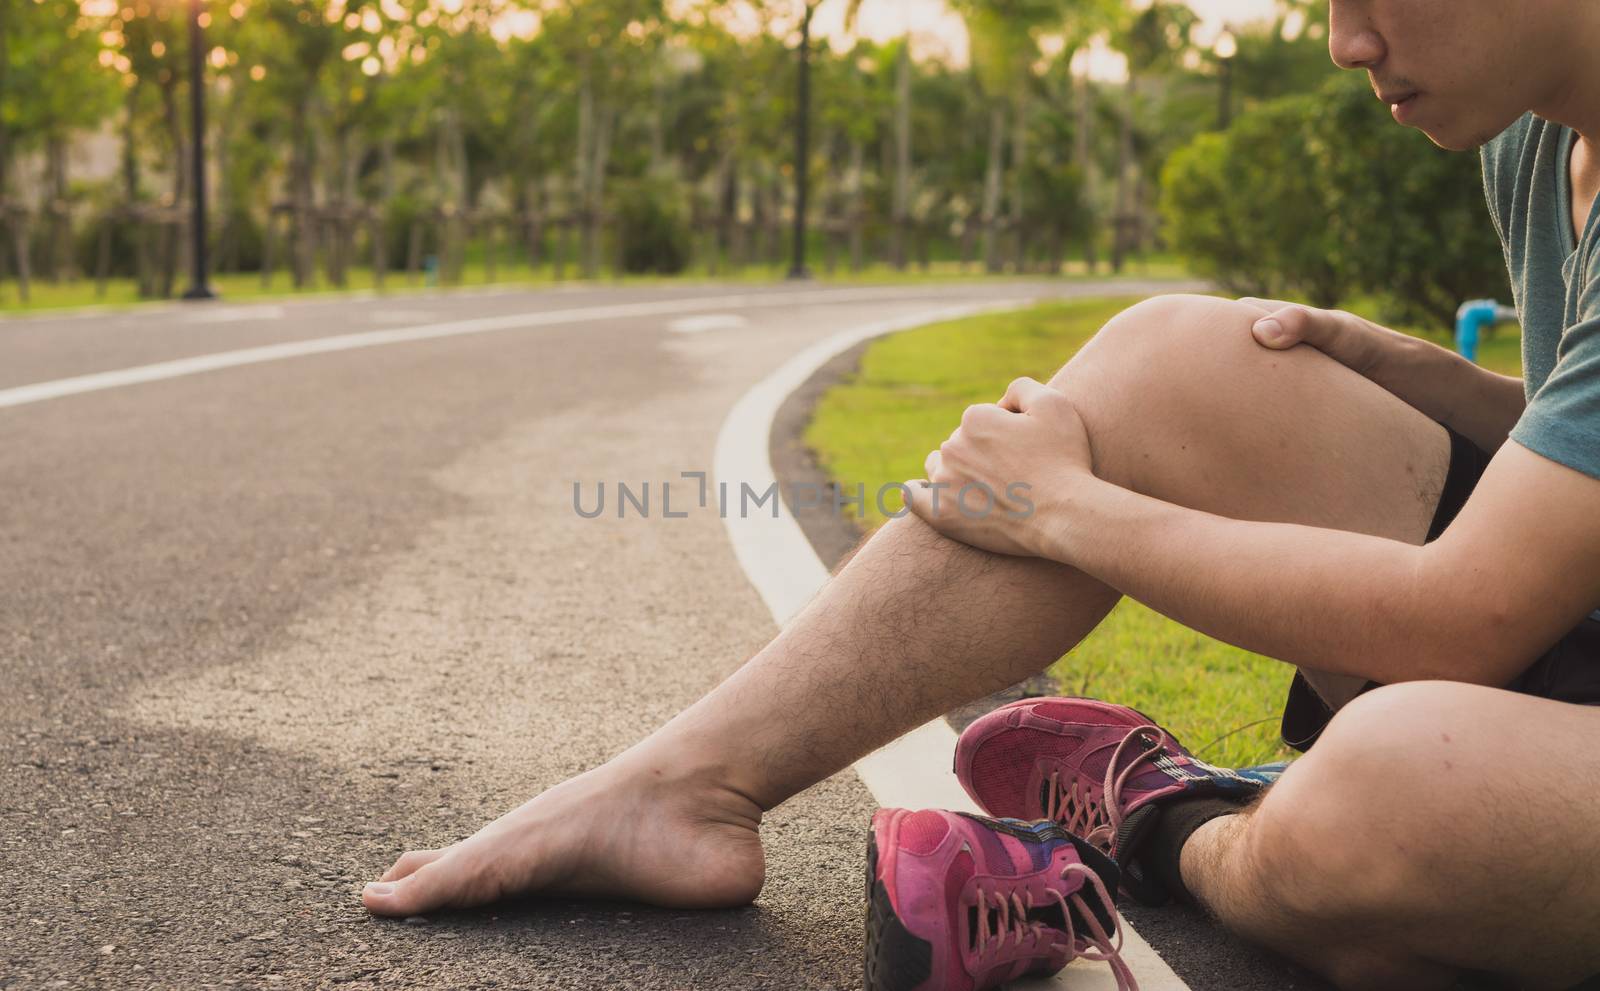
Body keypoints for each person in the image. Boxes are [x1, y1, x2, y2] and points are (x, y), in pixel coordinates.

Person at [363, 1, 1600, 986]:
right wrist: (1443, 378)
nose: (1347, 41)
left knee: (1392, 792)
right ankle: (680, 786)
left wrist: (1060, 507)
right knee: (1175, 355)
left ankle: (1169, 815)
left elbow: (1467, 614)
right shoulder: (1544, 131)